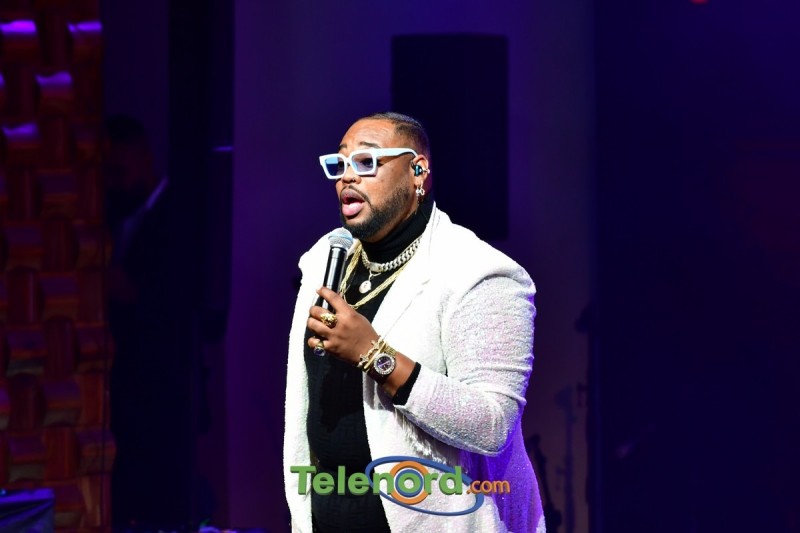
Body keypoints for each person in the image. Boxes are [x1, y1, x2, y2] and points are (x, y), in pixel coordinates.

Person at [283, 112, 544, 532]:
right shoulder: (324, 262)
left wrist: (375, 356)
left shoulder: (478, 273)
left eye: (366, 162)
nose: (347, 176)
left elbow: (492, 424)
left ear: (418, 172)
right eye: (340, 163)